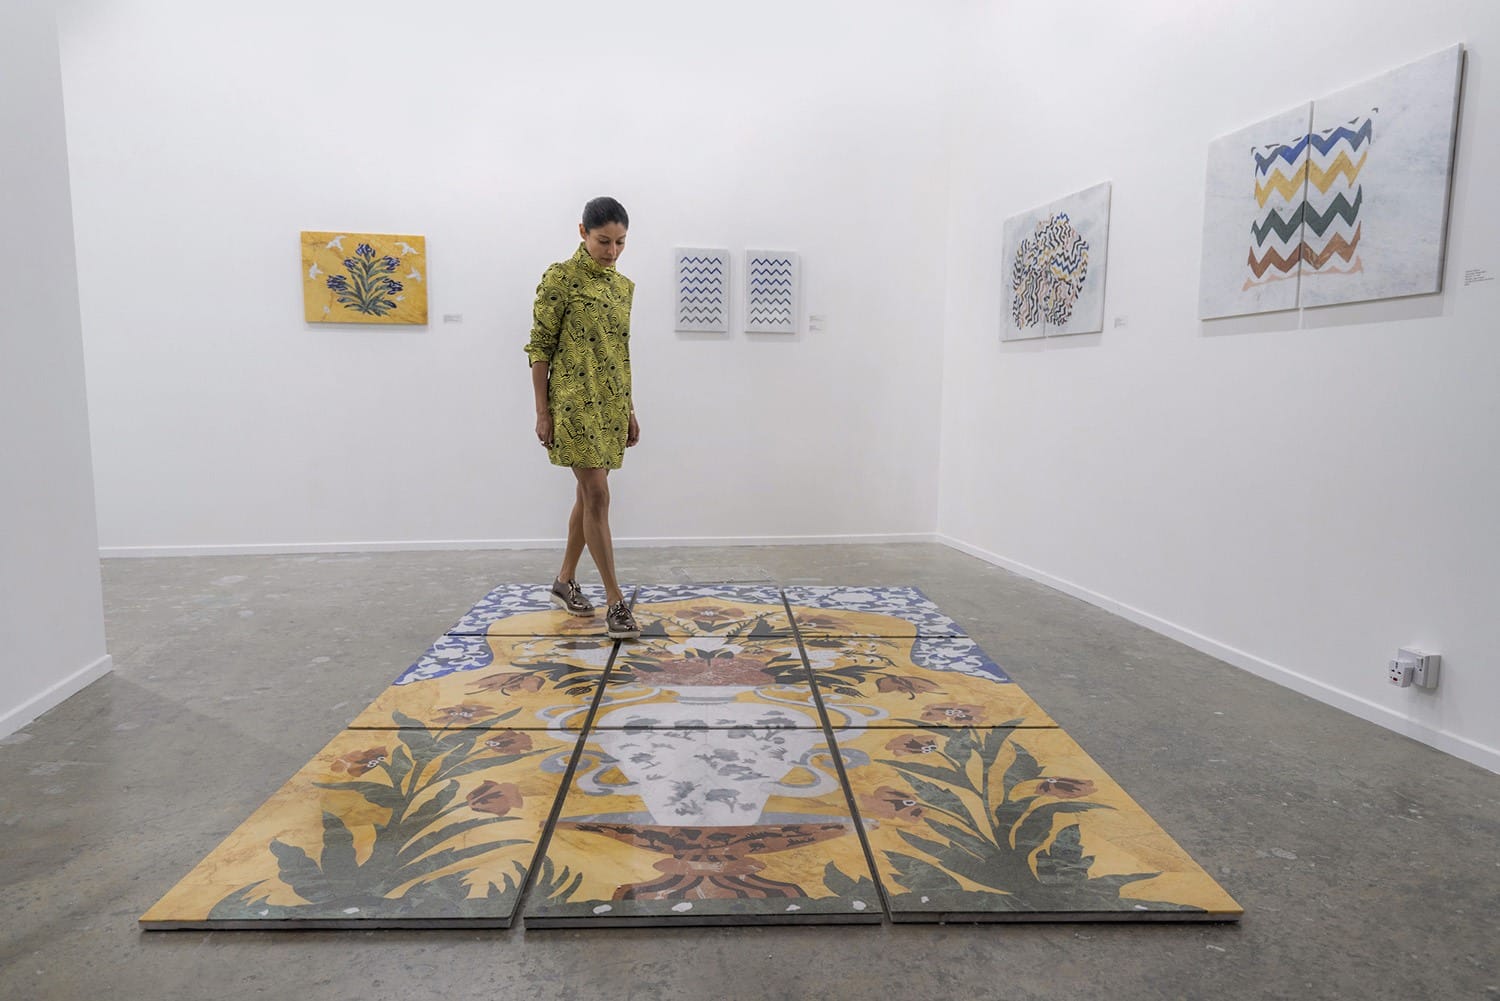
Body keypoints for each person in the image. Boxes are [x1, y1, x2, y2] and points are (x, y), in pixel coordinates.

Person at [525, 196, 641, 639]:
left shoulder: (622, 287)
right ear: (582, 233)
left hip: (610, 404)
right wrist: (542, 411)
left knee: (586, 494)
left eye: (620, 243)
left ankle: (564, 580)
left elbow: (620, 354)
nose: (611, 252)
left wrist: (629, 408)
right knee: (598, 496)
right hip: (571, 404)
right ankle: (616, 602)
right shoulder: (560, 278)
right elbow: (540, 348)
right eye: (603, 241)